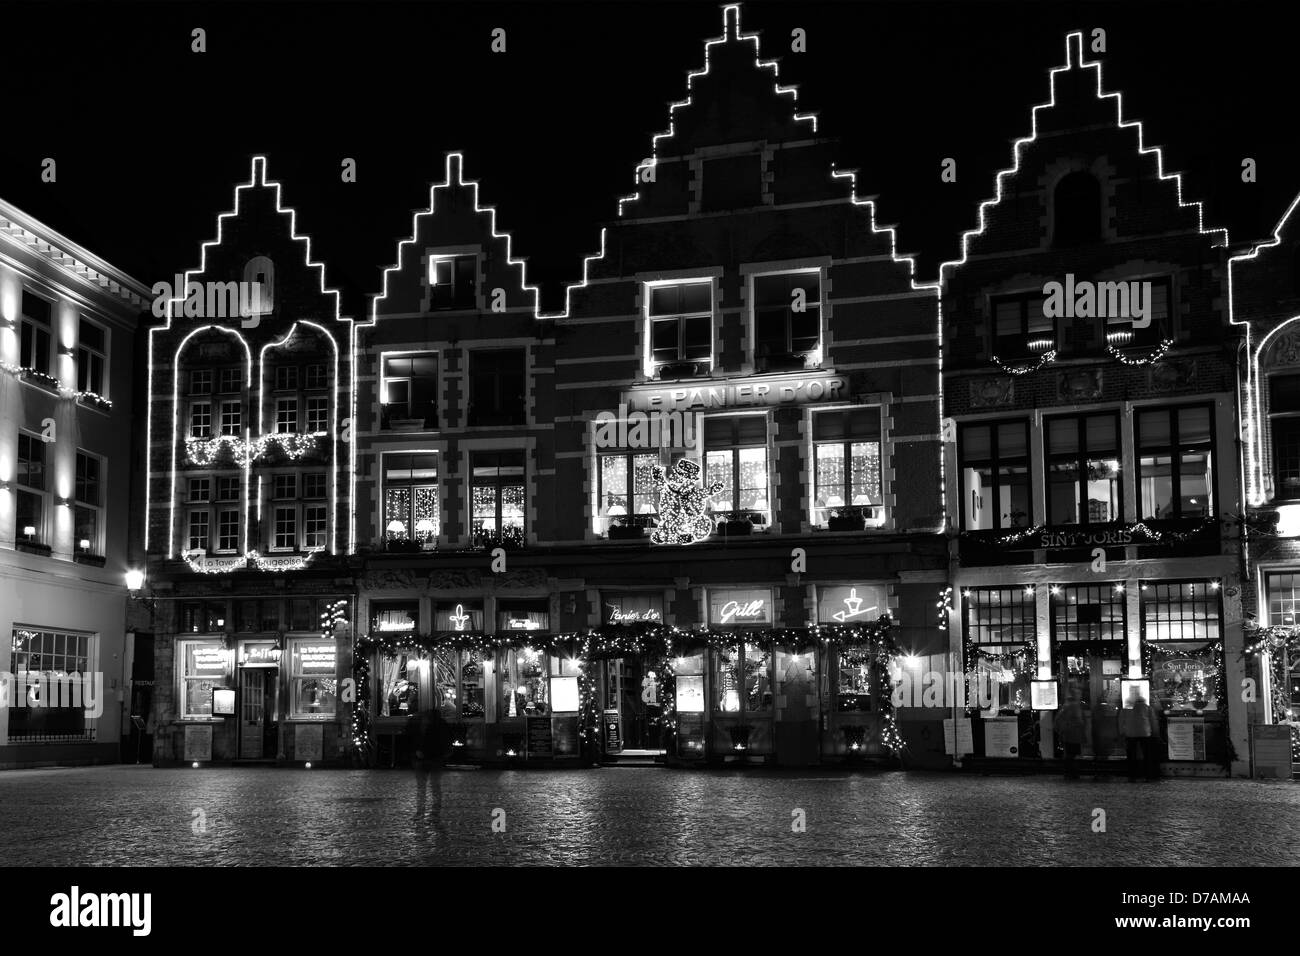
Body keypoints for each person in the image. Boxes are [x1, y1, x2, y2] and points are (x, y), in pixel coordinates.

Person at [406, 710, 452, 821]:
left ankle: (422, 812)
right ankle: (433, 812)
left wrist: (416, 752)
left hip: (427, 759)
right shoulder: (440, 725)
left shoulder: (419, 724)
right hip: (433, 759)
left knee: (424, 787)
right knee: (433, 786)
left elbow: (411, 739)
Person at [1121, 686, 1154, 782]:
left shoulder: (1127, 707)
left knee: (1131, 755)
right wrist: (1154, 732)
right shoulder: (1147, 708)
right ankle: (1148, 775)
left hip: (1130, 734)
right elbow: (1152, 721)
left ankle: (1132, 775)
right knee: (1147, 755)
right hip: (1145, 733)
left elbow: (1121, 720)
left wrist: (1122, 732)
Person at [1057, 692, 1085, 780]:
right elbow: (1080, 722)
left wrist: (1060, 732)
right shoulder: (1075, 707)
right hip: (1074, 735)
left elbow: (1058, 721)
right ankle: (1073, 773)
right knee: (1073, 754)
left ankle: (1069, 772)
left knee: (1069, 754)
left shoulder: (1065, 708)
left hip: (1068, 735)